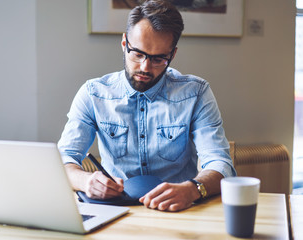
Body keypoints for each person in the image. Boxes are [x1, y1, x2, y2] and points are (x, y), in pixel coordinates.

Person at [58, 0, 236, 212]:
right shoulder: (93, 94)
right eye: (138, 54)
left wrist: (192, 189)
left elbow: (221, 164)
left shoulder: (196, 93)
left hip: (179, 212)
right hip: (116, 212)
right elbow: (63, 160)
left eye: (158, 58)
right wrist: (86, 181)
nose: (145, 67)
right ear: (124, 44)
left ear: (172, 55)